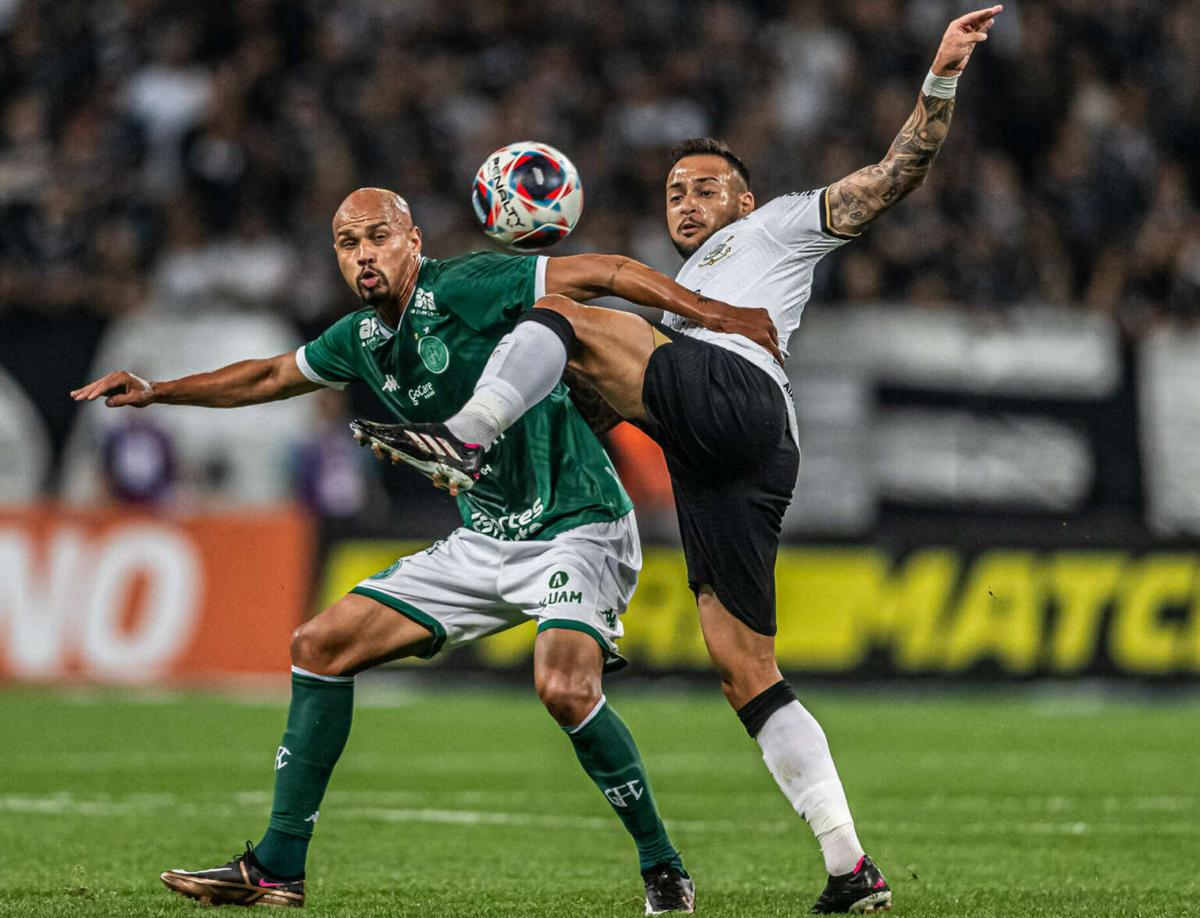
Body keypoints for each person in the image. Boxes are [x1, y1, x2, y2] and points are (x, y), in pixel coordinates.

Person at [356, 8, 1002, 913]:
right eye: (674, 193)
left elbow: (898, 174)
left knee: (573, 316)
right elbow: (592, 398)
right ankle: (851, 869)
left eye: (705, 188)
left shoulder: (777, 226)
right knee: (745, 670)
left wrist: (940, 76)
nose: (686, 202)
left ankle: (469, 434)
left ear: (743, 199)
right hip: (734, 460)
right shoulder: (676, 302)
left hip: (736, 397)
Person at [69, 187, 777, 913]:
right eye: (348, 244)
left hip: (577, 522)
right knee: (320, 644)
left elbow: (607, 271)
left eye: (378, 237)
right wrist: (157, 391)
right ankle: (278, 866)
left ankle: (663, 866)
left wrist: (715, 316)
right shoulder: (361, 339)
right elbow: (271, 375)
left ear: (412, 239)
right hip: (484, 537)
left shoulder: (467, 285)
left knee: (564, 688)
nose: (365, 255)